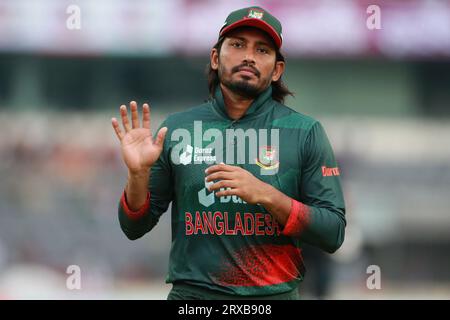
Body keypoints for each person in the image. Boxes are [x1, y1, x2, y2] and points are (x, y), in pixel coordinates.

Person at [111, 6, 346, 300]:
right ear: (214, 57)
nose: (248, 56)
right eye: (237, 45)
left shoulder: (304, 132)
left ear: (277, 70)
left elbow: (333, 232)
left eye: (262, 50)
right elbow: (133, 227)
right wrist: (138, 174)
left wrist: (266, 194)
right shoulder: (177, 129)